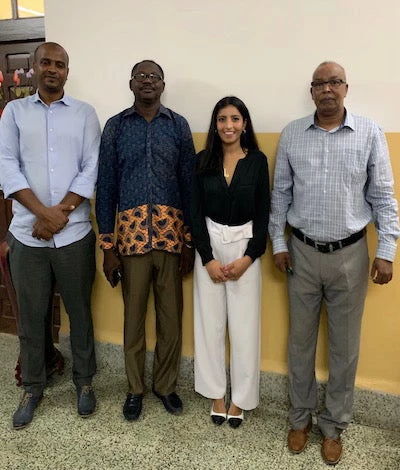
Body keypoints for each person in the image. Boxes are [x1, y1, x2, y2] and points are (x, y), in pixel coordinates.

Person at [269, 61, 399, 465]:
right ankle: (299, 418)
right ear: (311, 91)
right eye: (319, 83)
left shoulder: (370, 133)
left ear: (345, 88)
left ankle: (334, 425)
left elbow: (383, 196)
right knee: (300, 342)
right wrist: (277, 240)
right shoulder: (292, 134)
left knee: (345, 347)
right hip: (301, 254)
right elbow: (280, 195)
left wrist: (387, 250)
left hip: (350, 257)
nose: (327, 89)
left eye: (334, 82)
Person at [0, 42, 101, 429]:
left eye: (60, 64)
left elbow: (90, 167)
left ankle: (85, 382)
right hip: (27, 235)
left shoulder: (84, 114)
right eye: (46, 63)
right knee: (31, 317)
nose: (53, 69)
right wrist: (42, 213)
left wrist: (59, 216)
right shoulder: (14, 112)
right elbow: (7, 166)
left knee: (79, 311)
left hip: (74, 233)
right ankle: (33, 386)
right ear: (34, 68)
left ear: (67, 71)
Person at [95, 60, 196, 421]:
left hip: (171, 240)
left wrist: (188, 242)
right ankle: (135, 388)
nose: (148, 82)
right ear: (131, 84)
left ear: (163, 84)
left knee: (171, 319)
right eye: (142, 76)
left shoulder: (178, 125)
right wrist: (108, 247)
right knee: (133, 319)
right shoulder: (116, 128)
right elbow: (105, 188)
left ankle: (165, 386)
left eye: (154, 77)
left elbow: (189, 185)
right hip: (130, 242)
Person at [191, 96, 269, 428]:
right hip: (208, 244)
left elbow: (264, 213)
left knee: (244, 326)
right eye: (222, 119)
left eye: (235, 119)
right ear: (215, 124)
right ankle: (216, 393)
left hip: (245, 247)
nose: (228, 126)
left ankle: (241, 398)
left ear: (245, 124)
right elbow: (194, 212)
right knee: (209, 325)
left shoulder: (258, 161)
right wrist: (207, 259)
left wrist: (248, 258)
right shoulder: (202, 160)